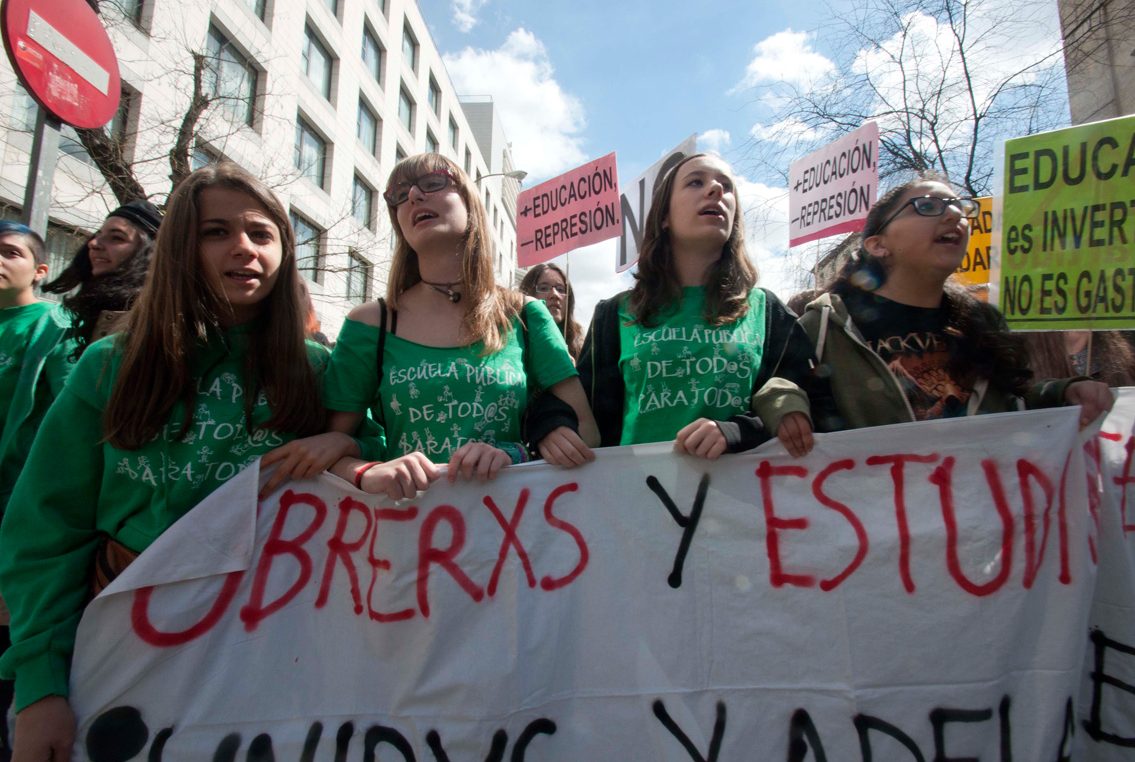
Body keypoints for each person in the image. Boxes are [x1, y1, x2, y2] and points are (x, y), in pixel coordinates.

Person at [0, 163, 343, 762]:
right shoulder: (110, 365)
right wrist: (39, 685)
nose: (243, 248)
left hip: (271, 657)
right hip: (121, 657)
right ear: (181, 246)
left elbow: (369, 484)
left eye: (261, 234)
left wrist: (346, 443)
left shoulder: (321, 372)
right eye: (216, 232)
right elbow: (45, 530)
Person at [261, 153, 599, 502]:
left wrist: (521, 451)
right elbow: (331, 450)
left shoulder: (526, 315)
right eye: (399, 194)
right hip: (406, 523)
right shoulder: (369, 323)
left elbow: (588, 433)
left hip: (511, 521)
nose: (413, 196)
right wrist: (368, 472)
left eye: (433, 182)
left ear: (469, 202)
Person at [792, 173, 1113, 430]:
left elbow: (1012, 407)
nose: (955, 214)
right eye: (927, 206)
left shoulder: (984, 325)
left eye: (960, 206)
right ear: (878, 245)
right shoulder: (824, 329)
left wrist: (1062, 393)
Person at [578, 153, 833, 459]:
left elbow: (815, 409)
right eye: (696, 182)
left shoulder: (767, 311)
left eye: (727, 186)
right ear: (664, 216)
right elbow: (584, 415)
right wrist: (552, 425)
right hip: (638, 486)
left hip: (746, 486)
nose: (716, 190)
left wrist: (740, 430)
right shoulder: (614, 314)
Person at [0, 222, 73, 762]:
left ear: (41, 271)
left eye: (10, 253)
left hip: (16, 508)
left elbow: (67, 430)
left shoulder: (54, 329)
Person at [42, 201, 162, 355]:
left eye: (116, 238)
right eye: (97, 235)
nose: (93, 244)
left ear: (151, 253)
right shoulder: (83, 314)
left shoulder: (155, 321)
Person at [519, 262, 583, 360]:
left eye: (560, 290)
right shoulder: (514, 340)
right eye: (544, 288)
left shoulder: (581, 345)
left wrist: (571, 368)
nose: (555, 295)